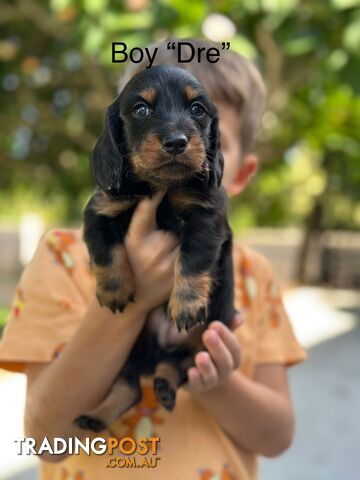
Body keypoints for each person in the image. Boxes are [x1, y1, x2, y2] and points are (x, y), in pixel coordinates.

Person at [0, 38, 306, 480]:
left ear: (237, 172)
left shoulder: (253, 275)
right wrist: (134, 299)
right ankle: (129, 386)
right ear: (116, 140)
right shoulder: (62, 260)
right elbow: (45, 438)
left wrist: (216, 382)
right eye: (144, 112)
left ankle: (170, 367)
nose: (176, 134)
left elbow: (277, 437)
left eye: (198, 115)